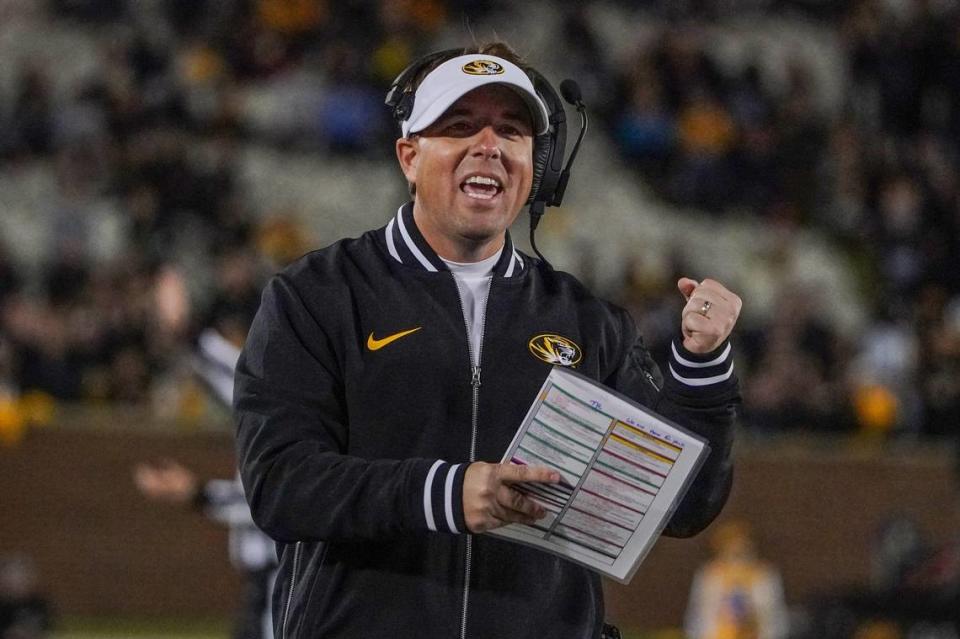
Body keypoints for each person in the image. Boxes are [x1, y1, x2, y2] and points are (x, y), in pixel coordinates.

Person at [234, 41, 743, 639]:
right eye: (459, 126)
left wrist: (701, 367)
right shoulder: (316, 295)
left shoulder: (586, 318)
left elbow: (682, 507)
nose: (489, 146)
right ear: (409, 156)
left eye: (511, 131)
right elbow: (281, 485)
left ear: (538, 166)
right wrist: (447, 493)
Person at [684, 519, 789, 639]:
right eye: (731, 546)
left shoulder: (764, 575)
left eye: (741, 545)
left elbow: (773, 614)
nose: (736, 551)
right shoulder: (710, 575)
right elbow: (699, 615)